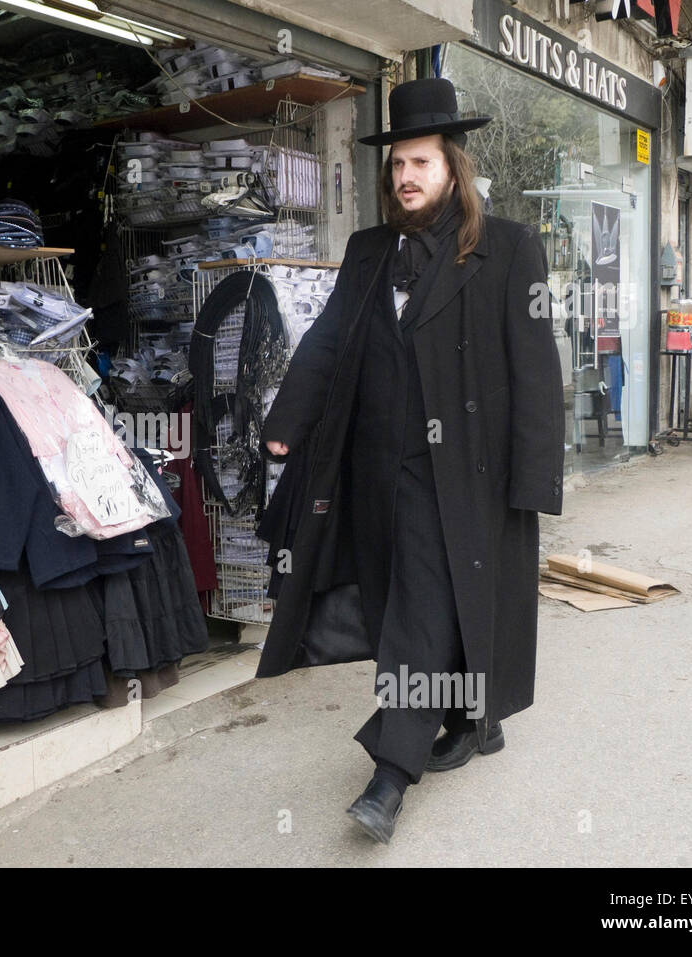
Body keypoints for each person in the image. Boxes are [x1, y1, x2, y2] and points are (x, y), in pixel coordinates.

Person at [256, 78, 565, 844]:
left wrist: (534, 479)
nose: (405, 177)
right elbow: (327, 341)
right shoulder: (367, 252)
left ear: (452, 167)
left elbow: (535, 369)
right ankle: (467, 714)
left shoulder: (509, 248)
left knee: (422, 612)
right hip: (372, 474)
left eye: (420, 162)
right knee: (404, 610)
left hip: (460, 477)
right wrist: (286, 420)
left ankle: (391, 773)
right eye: (396, 163)